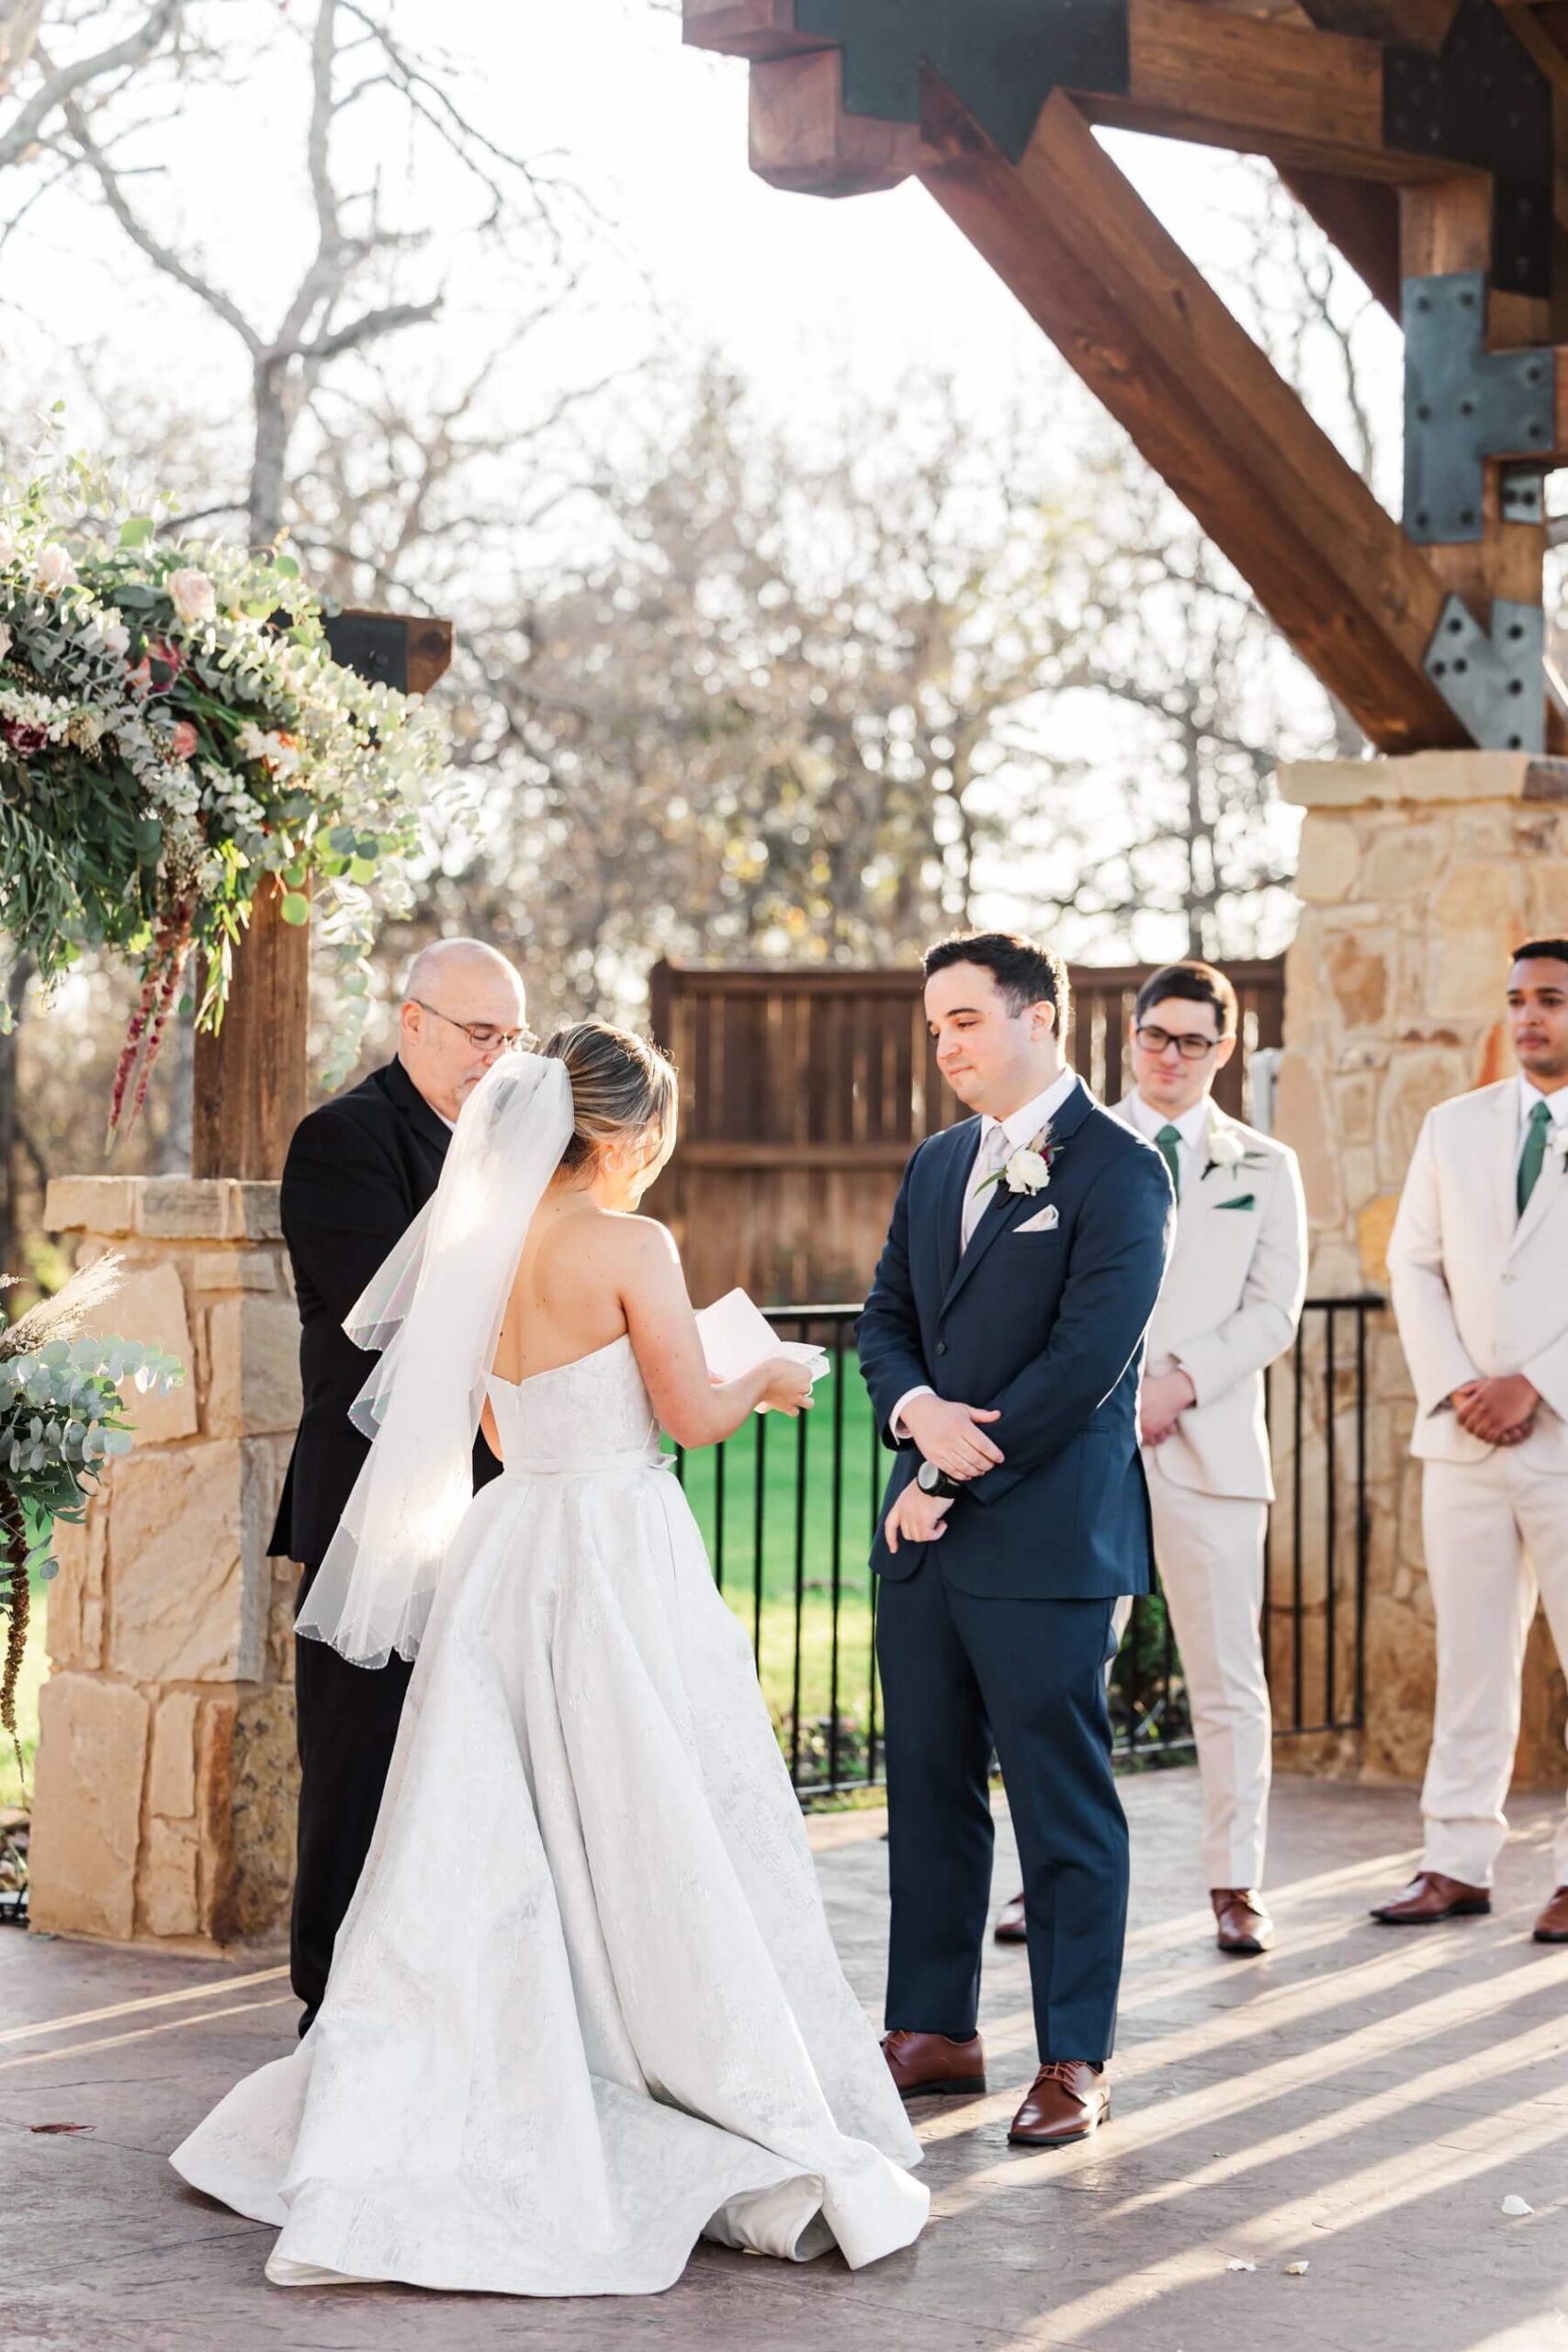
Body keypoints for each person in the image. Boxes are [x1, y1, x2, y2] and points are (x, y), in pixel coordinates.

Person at [173, 1024, 928, 2293]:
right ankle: (650, 2045)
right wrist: (769, 1381)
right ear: (625, 1136)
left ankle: (499, 2043)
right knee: (641, 1806)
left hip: (508, 1539)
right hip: (612, 1545)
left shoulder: (476, 1245)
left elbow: (479, 1412)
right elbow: (687, 1412)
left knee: (499, 1810)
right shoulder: (633, 1245)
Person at [858, 932, 1172, 2151]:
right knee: (927, 1787)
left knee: (1061, 1807)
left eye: (964, 1021)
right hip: (924, 1538)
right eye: (933, 1026)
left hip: (1042, 1545)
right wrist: (908, 1410)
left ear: (1039, 1018)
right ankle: (931, 2029)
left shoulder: (1118, 1171)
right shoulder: (936, 1165)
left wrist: (940, 1470)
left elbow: (1083, 1369)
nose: (944, 1047)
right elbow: (885, 1319)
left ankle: (1073, 2057)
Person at [269, 937, 531, 2030]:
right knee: (357, 1752)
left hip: (496, 1495)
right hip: (369, 1504)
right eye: (480, 1033)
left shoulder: (518, 1146)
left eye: (513, 1038)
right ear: (413, 1021)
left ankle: (442, 1993)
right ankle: (328, 2002)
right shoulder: (342, 1142)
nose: (498, 1058)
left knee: (465, 1753)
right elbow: (404, 1324)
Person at [1373, 939, 1568, 1943]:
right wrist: (1462, 1383)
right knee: (1473, 1655)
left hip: (1565, 1435)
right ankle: (1455, 1859)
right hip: (1466, 1439)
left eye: (1553, 1000)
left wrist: (1538, 1380)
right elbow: (1414, 1265)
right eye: (1519, 1000)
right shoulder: (1455, 1128)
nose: (1531, 1016)